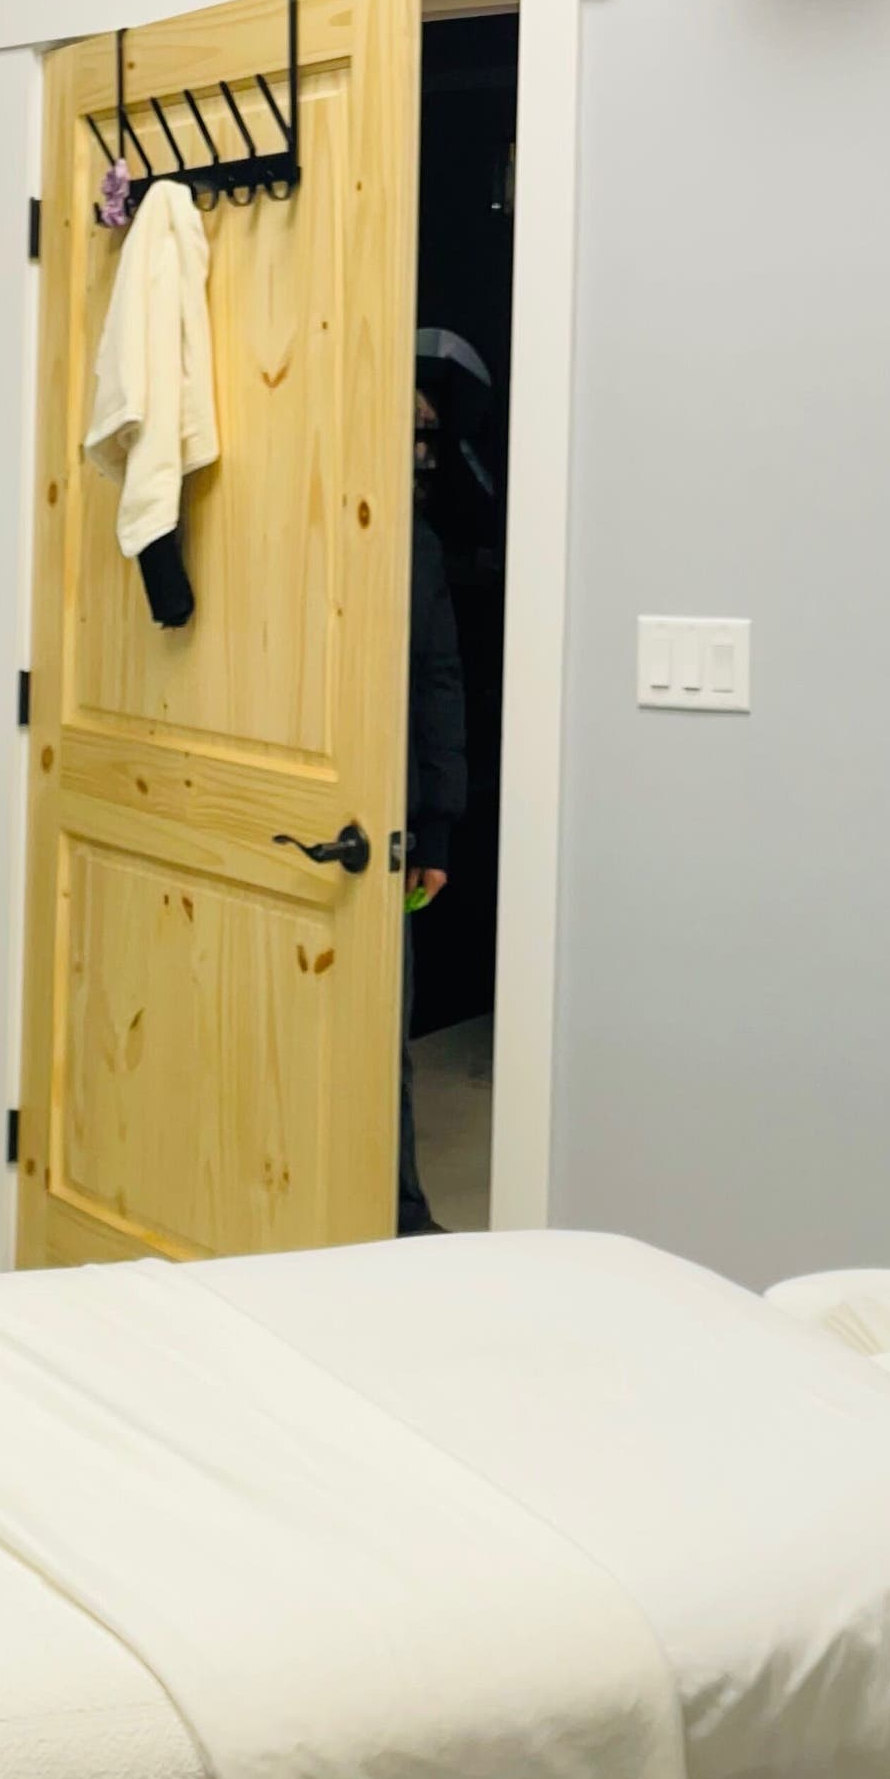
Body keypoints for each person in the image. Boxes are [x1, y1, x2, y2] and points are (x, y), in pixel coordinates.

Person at [395, 357, 475, 1234]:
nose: (423, 449)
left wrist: (437, 831)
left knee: (387, 1028)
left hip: (391, 826)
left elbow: (437, 681)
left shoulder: (416, 548)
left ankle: (399, 1209)